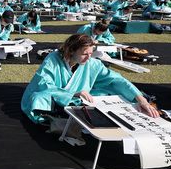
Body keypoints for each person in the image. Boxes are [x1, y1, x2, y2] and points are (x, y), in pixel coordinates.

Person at [21, 34, 159, 124]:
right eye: (84, 54)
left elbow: (116, 79)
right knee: (38, 98)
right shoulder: (53, 59)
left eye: (91, 53)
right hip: (58, 95)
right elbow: (43, 83)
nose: (88, 58)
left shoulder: (92, 63)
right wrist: (73, 93)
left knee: (111, 91)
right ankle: (55, 114)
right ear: (71, 51)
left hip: (80, 98)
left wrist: (141, 99)